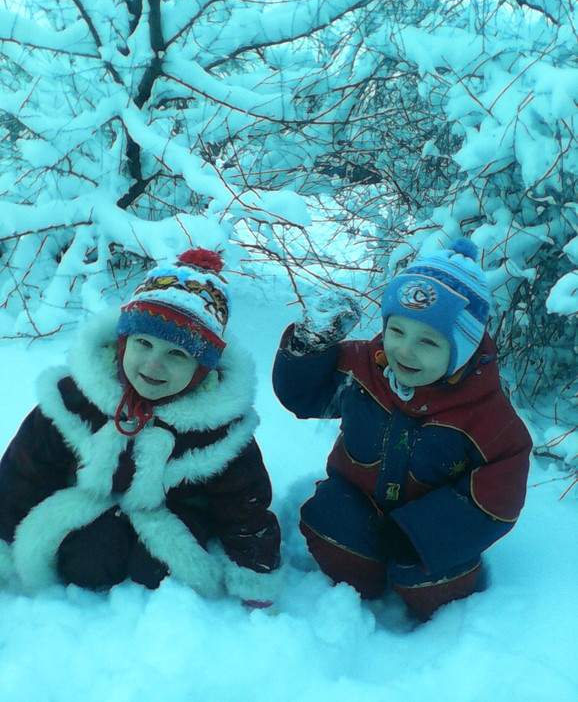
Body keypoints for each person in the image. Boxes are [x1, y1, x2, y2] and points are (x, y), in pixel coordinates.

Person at [0, 248, 282, 607]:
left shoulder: (217, 426)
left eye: (177, 354)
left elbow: (243, 502)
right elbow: (25, 473)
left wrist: (255, 572)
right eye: (143, 344)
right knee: (88, 560)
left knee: (159, 571)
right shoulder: (77, 399)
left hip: (174, 514)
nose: (153, 364)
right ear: (122, 343)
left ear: (202, 369)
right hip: (88, 505)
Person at [273, 239, 532, 621]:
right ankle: (365, 588)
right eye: (397, 331)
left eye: (428, 341)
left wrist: (422, 534)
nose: (405, 351)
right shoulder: (363, 367)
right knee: (328, 523)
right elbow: (303, 395)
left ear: (462, 348)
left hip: (431, 528)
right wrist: (308, 349)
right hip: (358, 501)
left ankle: (433, 604)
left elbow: (499, 493)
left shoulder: (486, 415)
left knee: (433, 585)